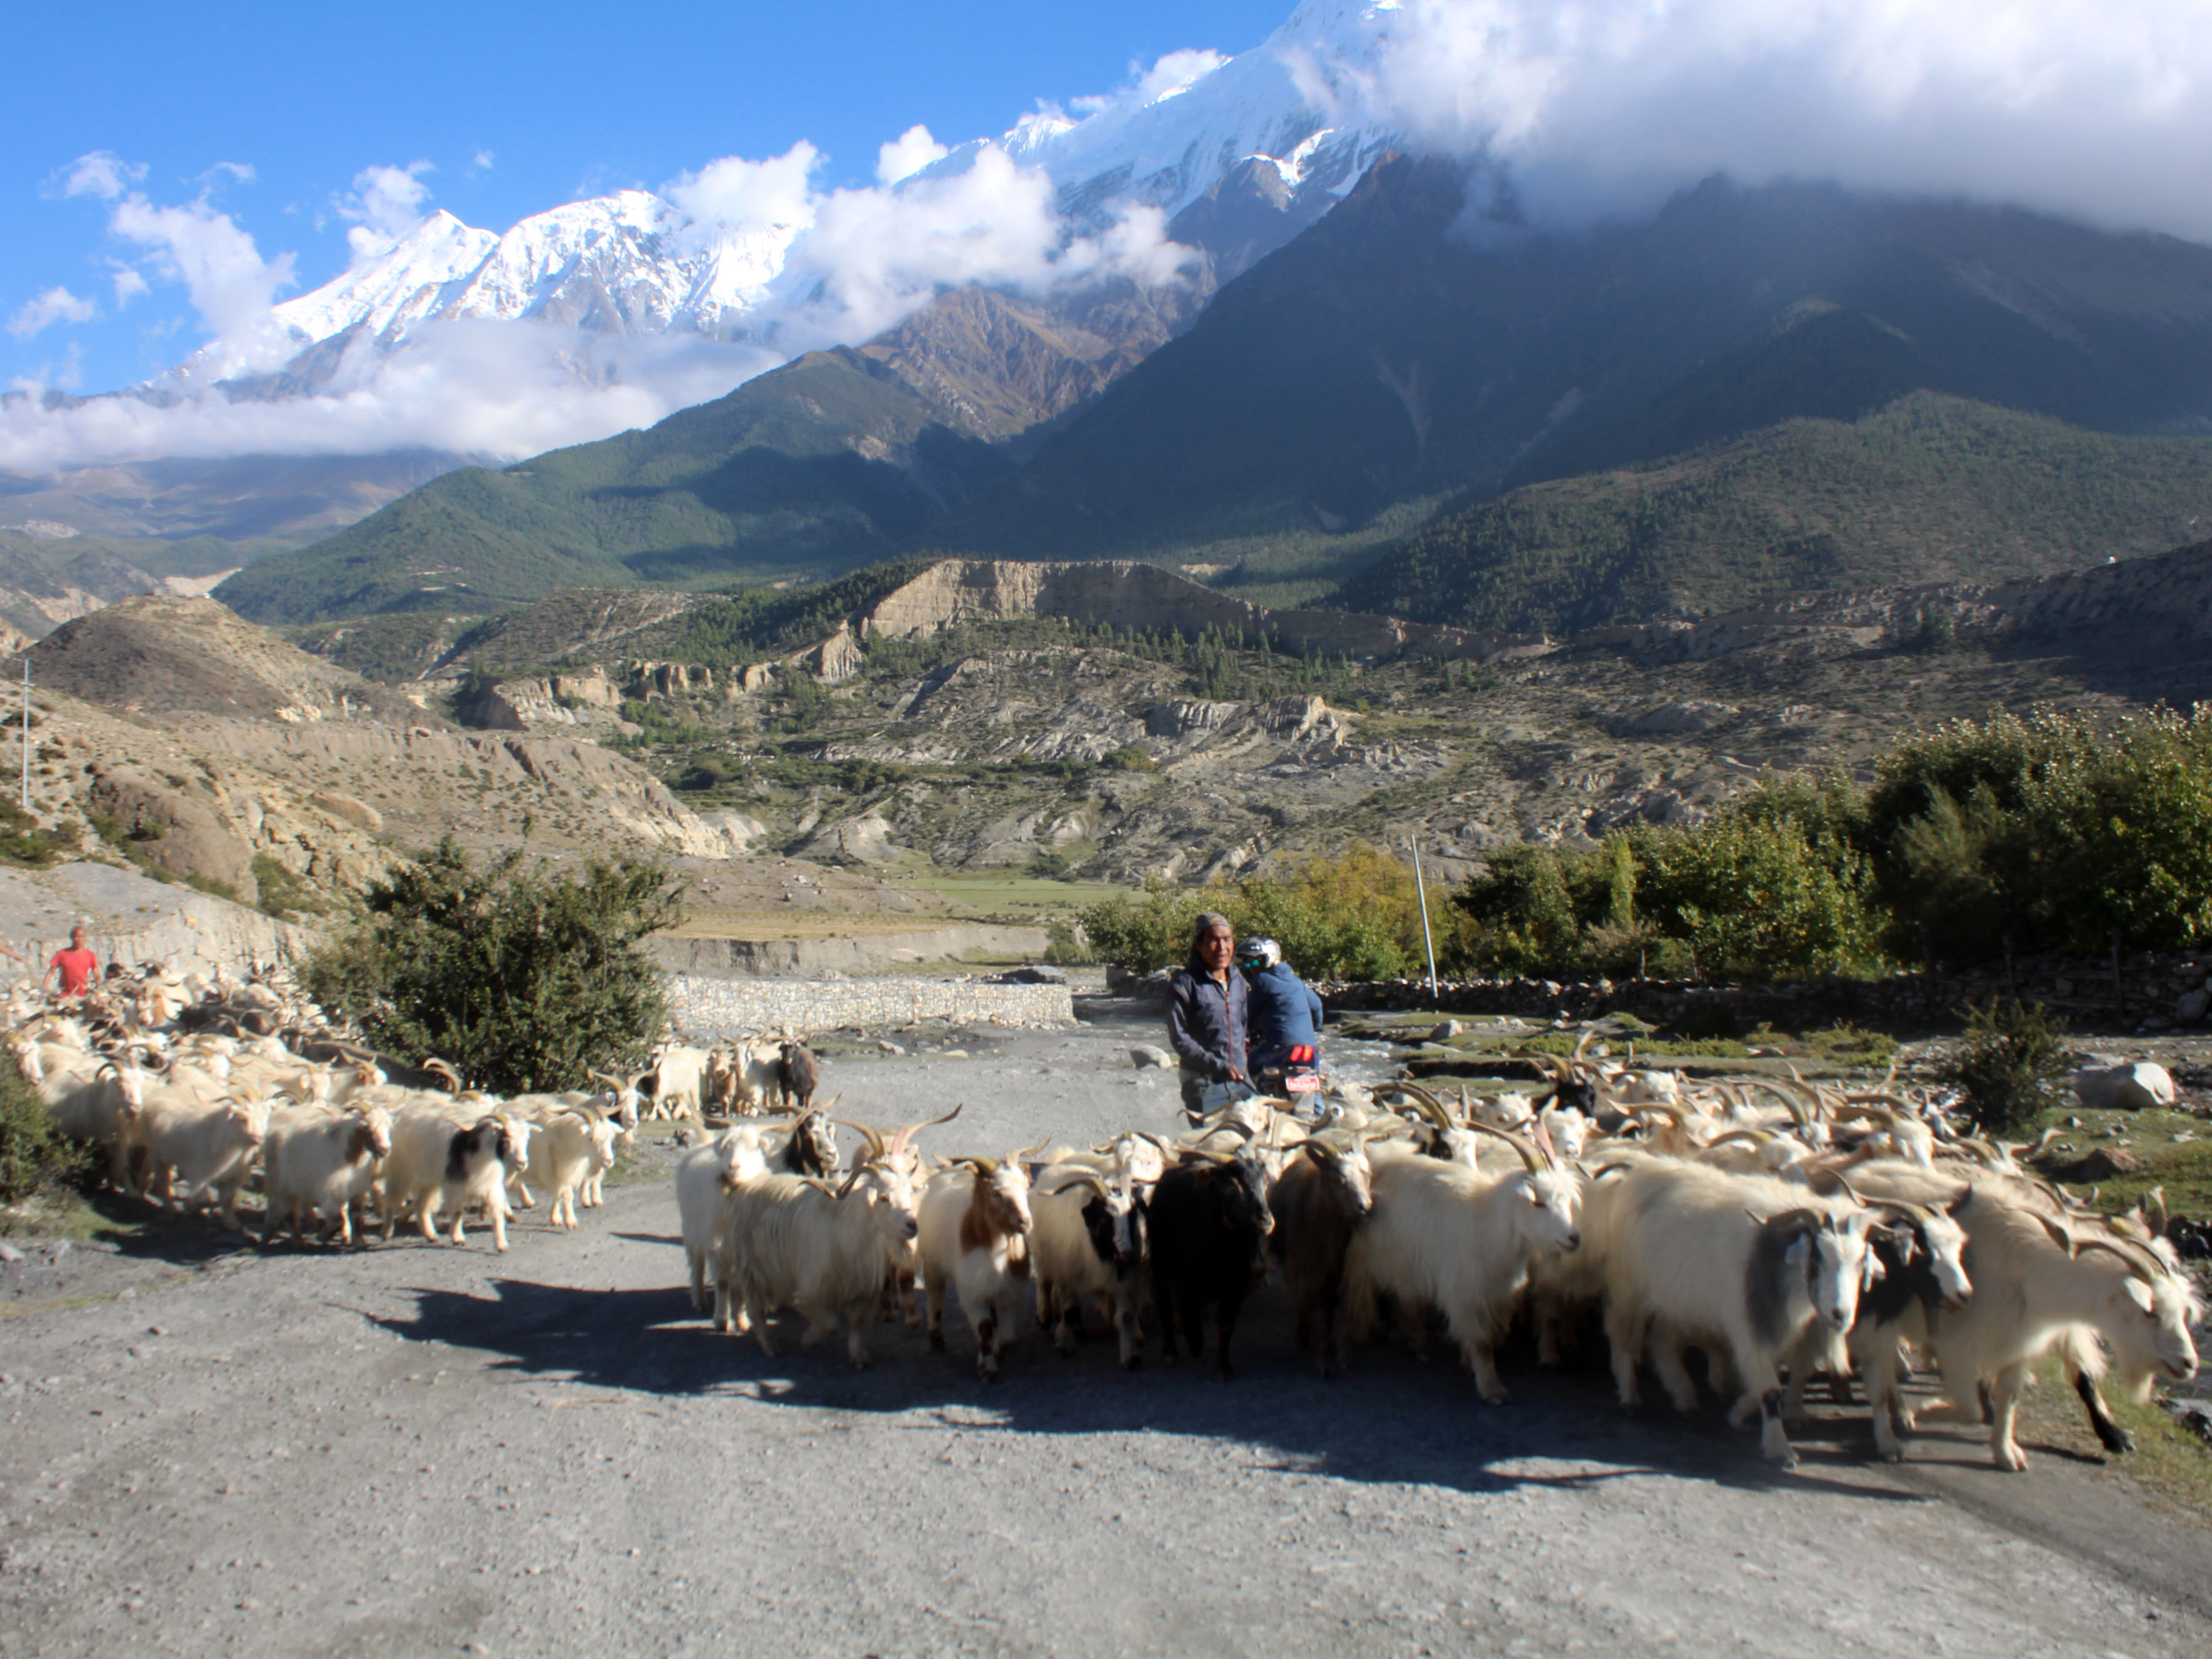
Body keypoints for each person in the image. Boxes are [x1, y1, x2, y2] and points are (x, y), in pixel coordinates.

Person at [1166, 912, 1249, 1115]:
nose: (1222, 948)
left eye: (1227, 940)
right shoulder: (1185, 984)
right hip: (1203, 1084)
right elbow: (1180, 1039)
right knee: (1213, 1144)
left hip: (1240, 1080)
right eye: (1213, 940)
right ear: (1198, 945)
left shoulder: (1238, 980)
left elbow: (1244, 1027)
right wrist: (1219, 1066)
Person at [1239, 936, 1324, 1088]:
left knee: (1244, 1070)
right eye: (1248, 963)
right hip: (1310, 1048)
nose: (1252, 967)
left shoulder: (1262, 980)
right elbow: (1317, 1006)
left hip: (1279, 1047)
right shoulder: (1296, 981)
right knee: (1313, 1085)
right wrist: (1315, 1026)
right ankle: (1317, 1109)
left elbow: (1246, 1014)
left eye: (1256, 961)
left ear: (1270, 959)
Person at [44, 924, 100, 997]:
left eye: (82, 937)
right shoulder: (62, 954)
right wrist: (44, 988)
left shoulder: (90, 955)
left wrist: (98, 986)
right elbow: (51, 973)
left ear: (85, 938)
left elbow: (97, 974)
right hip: (65, 996)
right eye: (77, 937)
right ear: (72, 938)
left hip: (83, 995)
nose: (79, 940)